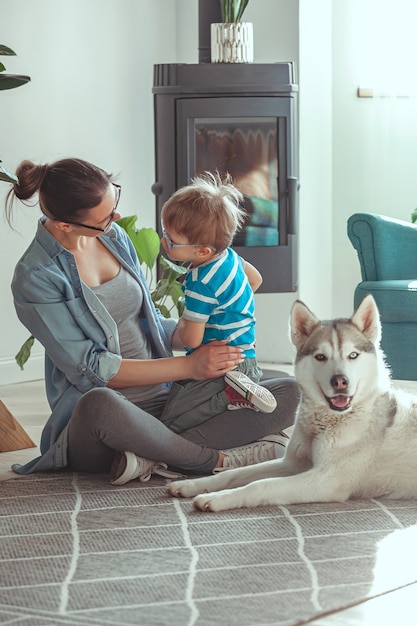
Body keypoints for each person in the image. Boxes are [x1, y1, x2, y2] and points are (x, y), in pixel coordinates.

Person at [5, 157, 300, 485]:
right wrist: (190, 367)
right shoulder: (35, 277)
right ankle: (211, 460)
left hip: (168, 401)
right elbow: (91, 370)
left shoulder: (112, 237)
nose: (116, 218)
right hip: (110, 421)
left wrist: (213, 340)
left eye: (114, 201)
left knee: (288, 390)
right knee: (98, 403)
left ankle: (152, 457)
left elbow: (149, 320)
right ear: (64, 225)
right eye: (105, 217)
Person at [158, 171, 278, 436]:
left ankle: (230, 397)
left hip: (224, 369)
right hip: (246, 356)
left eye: (171, 239)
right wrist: (233, 314)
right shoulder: (228, 256)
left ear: (202, 251)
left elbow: (191, 340)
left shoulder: (201, 281)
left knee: (172, 421)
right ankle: (239, 411)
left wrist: (181, 325)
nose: (163, 241)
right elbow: (255, 280)